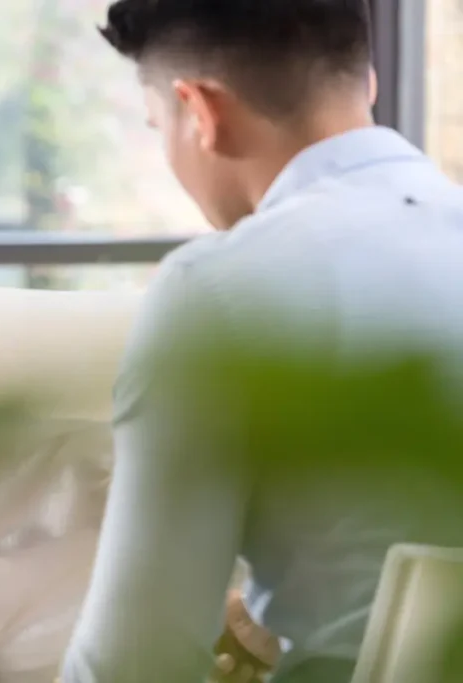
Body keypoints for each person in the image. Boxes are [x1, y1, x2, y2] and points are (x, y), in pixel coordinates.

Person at [61, 1, 463, 682]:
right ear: (364, 82)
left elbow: (134, 663)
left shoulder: (218, 290)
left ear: (201, 112)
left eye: (161, 126)